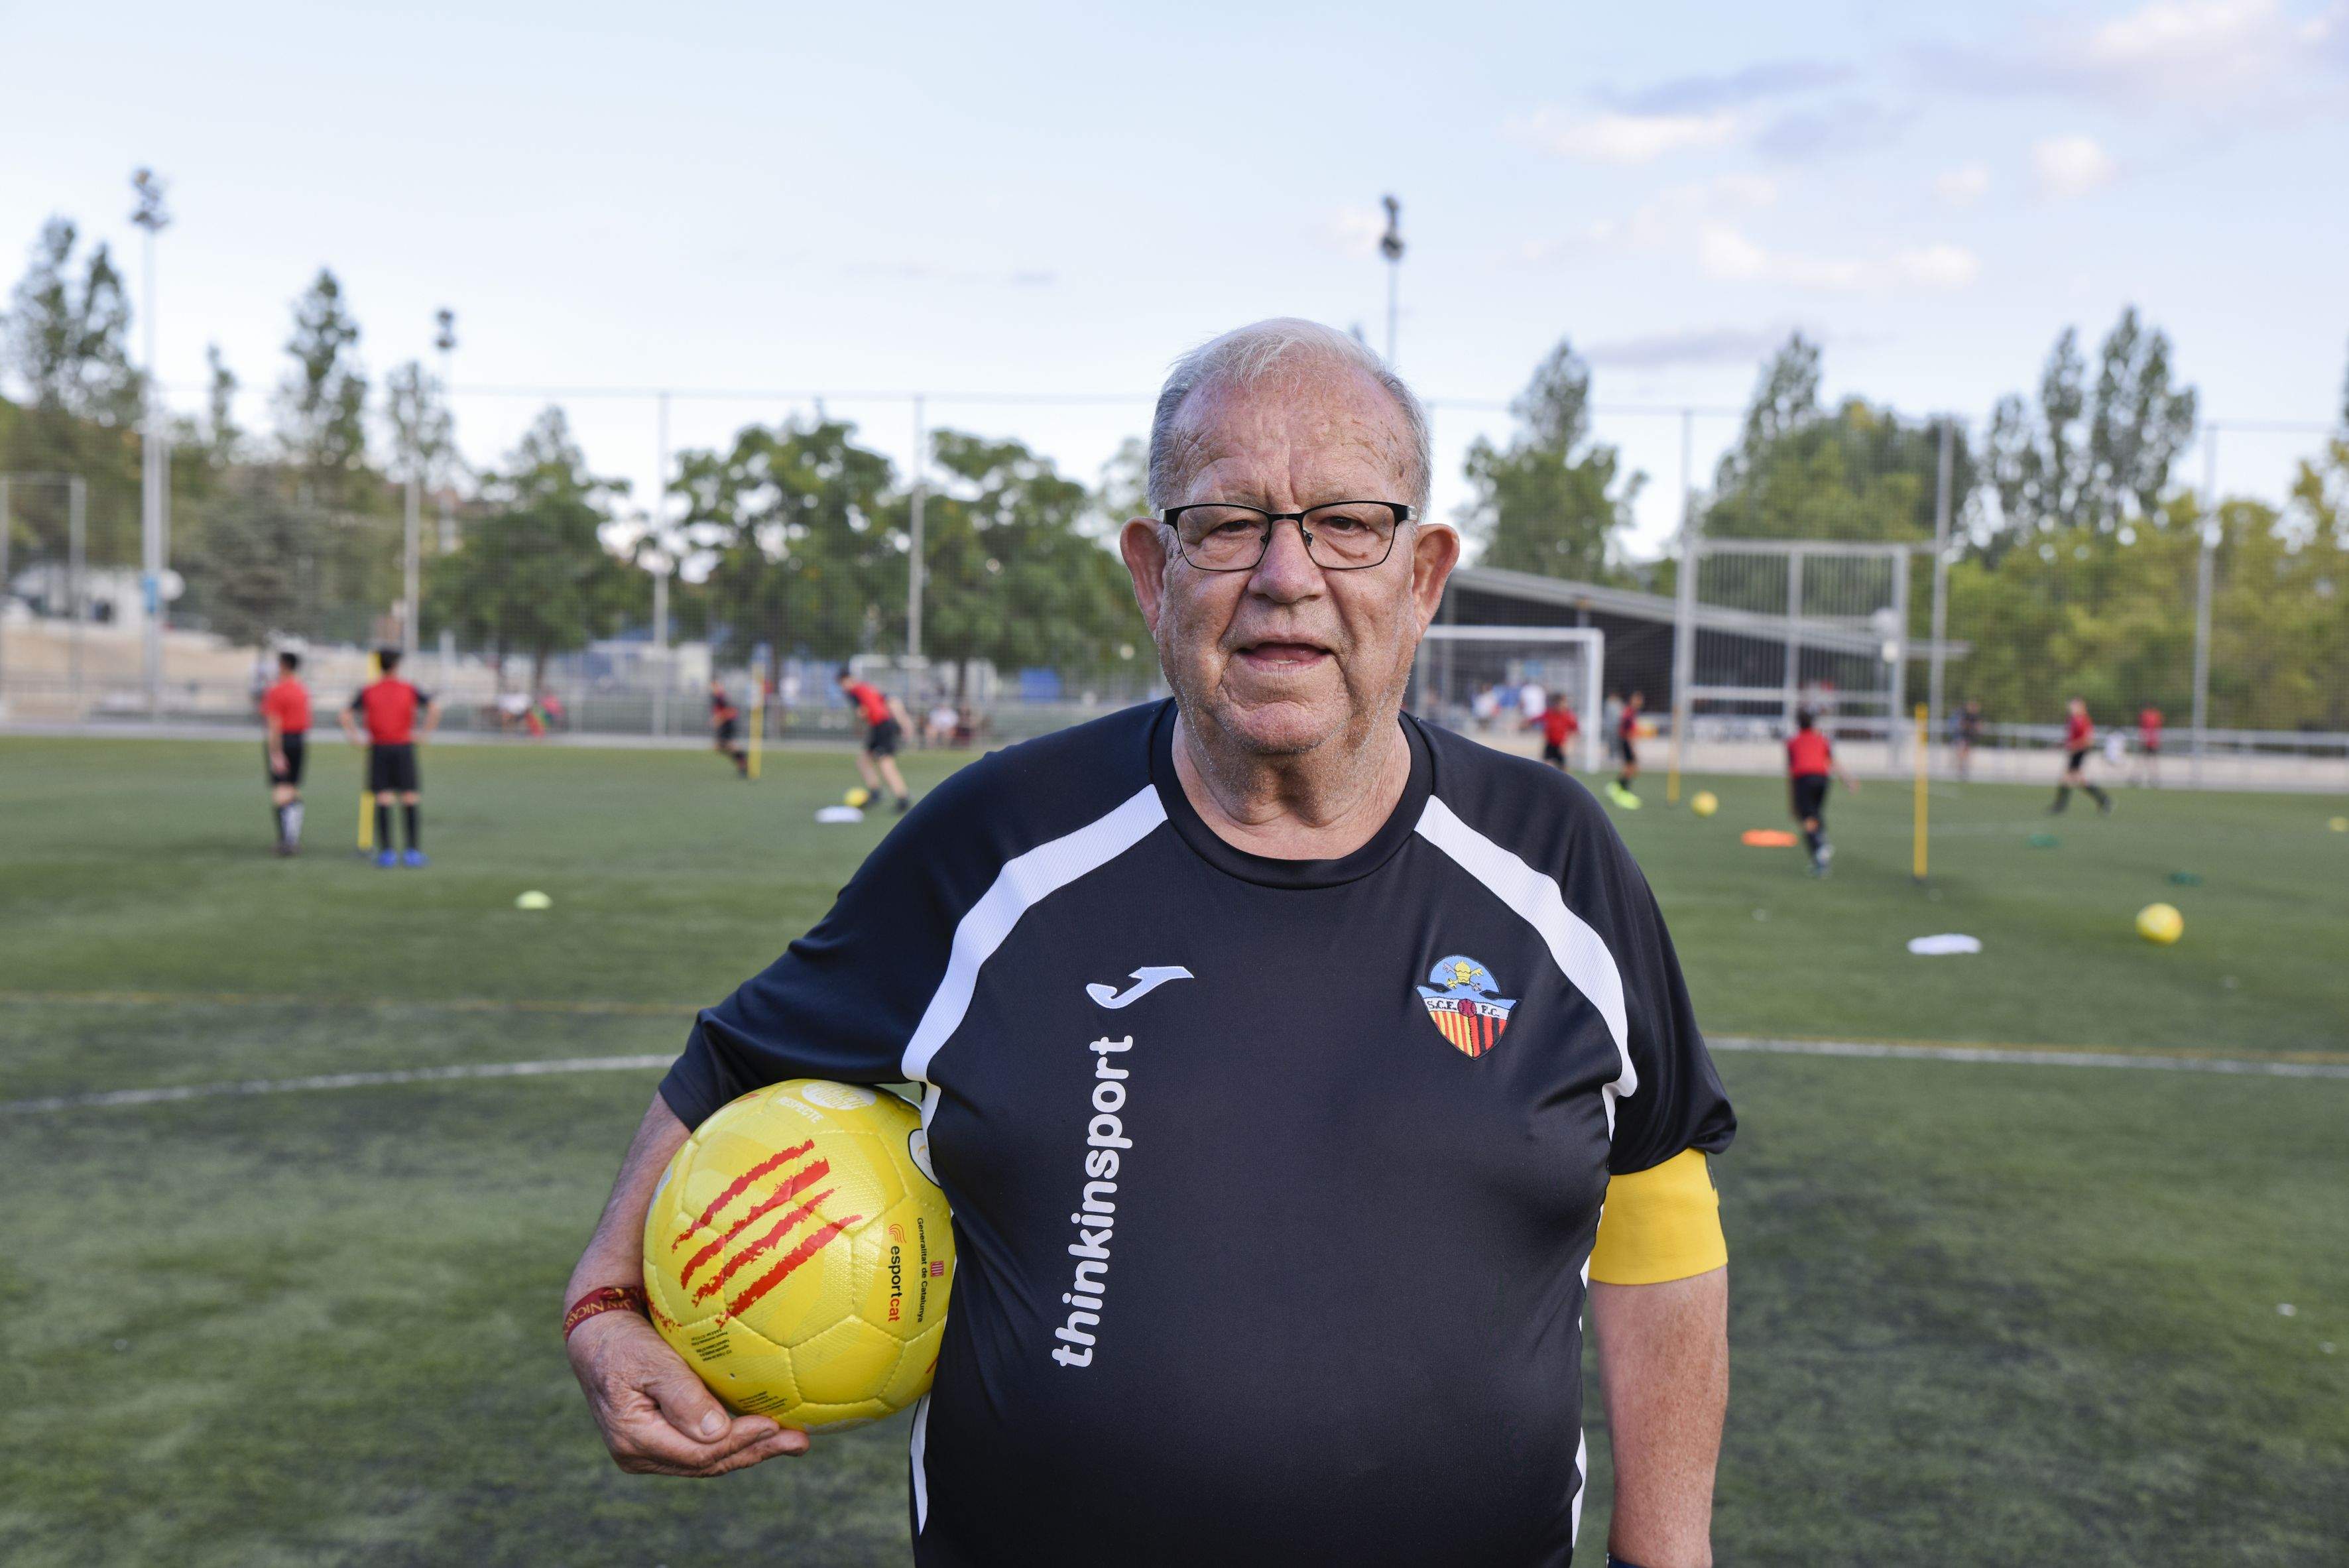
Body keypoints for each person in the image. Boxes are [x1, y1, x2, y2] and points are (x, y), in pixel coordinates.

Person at [564, 320, 1733, 1568]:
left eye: (1346, 522)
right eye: (1224, 523)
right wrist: (606, 1302)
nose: (1286, 575)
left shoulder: (1553, 861)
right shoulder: (999, 843)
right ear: (1149, 571)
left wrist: (1665, 1556)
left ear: (1423, 573)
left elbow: (1654, 1188)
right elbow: (734, 1063)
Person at [340, 648, 439, 867]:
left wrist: (355, 737)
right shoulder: (409, 688)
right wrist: (424, 734)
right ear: (396, 666)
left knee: (383, 798)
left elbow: (345, 714)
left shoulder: (369, 690)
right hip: (404, 748)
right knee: (410, 797)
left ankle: (387, 853)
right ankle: (412, 852)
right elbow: (434, 709)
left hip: (379, 749)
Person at [1786, 709, 1858, 876]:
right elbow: (1833, 762)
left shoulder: (1792, 742)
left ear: (1798, 724)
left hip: (1804, 779)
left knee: (1807, 819)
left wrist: (1792, 803)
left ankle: (1820, 851)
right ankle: (1822, 846)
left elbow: (1791, 773)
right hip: (1822, 780)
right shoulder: (1822, 740)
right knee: (1816, 813)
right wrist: (1849, 780)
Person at [836, 668, 914, 812]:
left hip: (882, 727)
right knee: (863, 761)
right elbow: (892, 701)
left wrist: (858, 725)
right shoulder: (867, 688)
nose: (842, 687)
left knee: (885, 764)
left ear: (847, 680)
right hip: (881, 727)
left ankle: (903, 798)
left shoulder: (854, 692)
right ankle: (875, 793)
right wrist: (903, 722)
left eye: (842, 683)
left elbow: (862, 712)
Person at [259, 649, 310, 857]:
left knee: (281, 790)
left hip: (283, 740)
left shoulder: (277, 691)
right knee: (292, 788)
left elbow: (274, 723)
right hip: (299, 740)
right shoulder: (301, 689)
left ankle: (286, 841)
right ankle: (292, 838)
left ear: (283, 665)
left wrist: (276, 752)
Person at [2051, 696, 2112, 815]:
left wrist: (2073, 745)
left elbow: (2088, 741)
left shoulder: (2084, 720)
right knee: (2075, 779)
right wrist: (2065, 744)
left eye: (2075, 705)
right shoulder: (2072, 719)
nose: (2072, 707)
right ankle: (2104, 800)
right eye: (2072, 705)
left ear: (2081, 707)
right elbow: (2071, 738)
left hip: (2080, 752)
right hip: (2075, 752)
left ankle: (2060, 806)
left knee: (2069, 778)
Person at [1609, 690, 1646, 808]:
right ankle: (1622, 792)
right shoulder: (1629, 713)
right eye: (1637, 699)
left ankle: (1617, 788)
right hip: (1626, 742)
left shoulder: (1631, 712)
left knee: (1629, 768)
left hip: (1626, 742)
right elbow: (1628, 732)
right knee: (1631, 768)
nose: (1639, 702)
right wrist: (1633, 748)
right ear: (1632, 700)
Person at [709, 678, 748, 778]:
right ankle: (742, 760)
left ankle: (743, 761)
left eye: (714, 686)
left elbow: (732, 711)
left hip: (728, 725)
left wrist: (719, 719)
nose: (712, 688)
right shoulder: (717, 697)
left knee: (723, 746)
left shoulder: (721, 698)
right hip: (725, 724)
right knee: (720, 747)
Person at [1533, 689, 1579, 770]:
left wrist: (1569, 744)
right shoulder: (1548, 714)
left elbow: (1575, 731)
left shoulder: (1568, 716)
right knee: (1545, 767)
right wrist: (1523, 724)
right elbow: (1535, 719)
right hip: (1550, 744)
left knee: (1563, 769)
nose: (1564, 705)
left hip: (1561, 745)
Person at [2136, 704, 2163, 787]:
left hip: (2151, 741)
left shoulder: (2155, 715)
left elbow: (2157, 729)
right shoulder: (2147, 715)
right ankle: (2137, 777)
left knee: (2152, 761)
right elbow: (2142, 728)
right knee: (2142, 760)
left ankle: (2154, 778)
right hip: (2147, 740)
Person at [1956, 697, 1982, 782]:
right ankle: (1961, 771)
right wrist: (1971, 727)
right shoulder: (1966, 714)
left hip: (1970, 737)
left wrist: (1976, 729)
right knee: (1962, 754)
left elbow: (1979, 726)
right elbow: (1963, 724)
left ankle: (1965, 771)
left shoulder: (1976, 716)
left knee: (1967, 755)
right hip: (1964, 736)